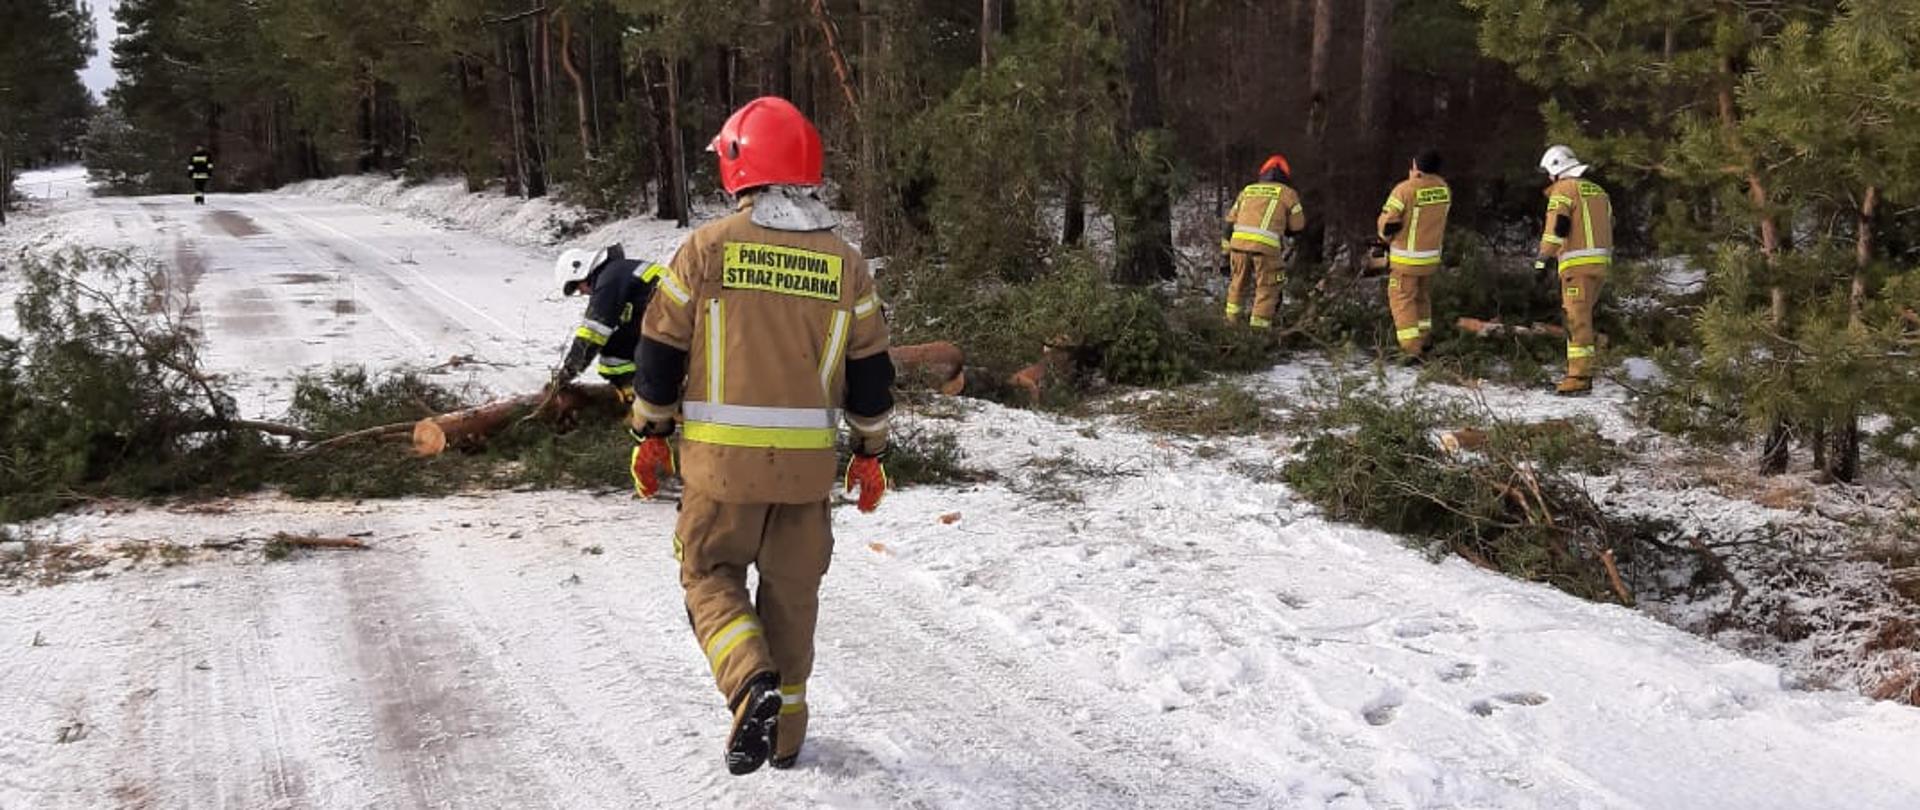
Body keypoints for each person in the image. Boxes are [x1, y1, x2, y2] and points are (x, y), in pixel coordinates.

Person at [627, 96, 895, 776]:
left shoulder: (706, 250)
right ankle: (785, 740)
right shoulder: (847, 264)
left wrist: (650, 431)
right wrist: (870, 452)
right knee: (793, 599)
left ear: (739, 167)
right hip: (805, 479)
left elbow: (658, 350)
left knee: (709, 573)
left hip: (721, 473)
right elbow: (871, 374)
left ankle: (751, 685)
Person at [1533, 144, 1614, 396]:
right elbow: (1611, 224)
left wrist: (1541, 260)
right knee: (1584, 318)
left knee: (1576, 321)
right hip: (1600, 266)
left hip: (1576, 267)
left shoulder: (1562, 190)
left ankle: (1578, 377)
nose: (1548, 178)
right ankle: (1585, 371)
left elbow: (1557, 228)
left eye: (1548, 172)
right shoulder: (1599, 191)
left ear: (1556, 170)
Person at [549, 244, 666, 401]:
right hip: (673, 311)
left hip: (668, 316)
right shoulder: (617, 272)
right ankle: (646, 390)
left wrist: (567, 372)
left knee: (613, 353)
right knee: (620, 343)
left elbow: (591, 335)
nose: (582, 292)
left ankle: (641, 398)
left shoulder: (608, 281)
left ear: (582, 272)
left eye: (578, 286)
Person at [1373, 148, 1452, 363]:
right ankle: (1425, 340)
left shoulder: (1405, 190)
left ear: (1416, 166)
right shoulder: (1444, 189)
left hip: (1406, 260)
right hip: (1430, 259)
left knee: (1402, 300)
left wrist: (1382, 239)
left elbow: (1389, 223)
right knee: (1421, 298)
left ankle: (1411, 350)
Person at [1221, 154, 1307, 330]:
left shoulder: (1247, 190)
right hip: (1266, 250)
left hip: (1238, 247)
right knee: (1267, 290)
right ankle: (1257, 335)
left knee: (1237, 286)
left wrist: (1224, 254)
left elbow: (1229, 225)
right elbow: (1298, 226)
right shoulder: (1288, 194)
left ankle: (1230, 327)